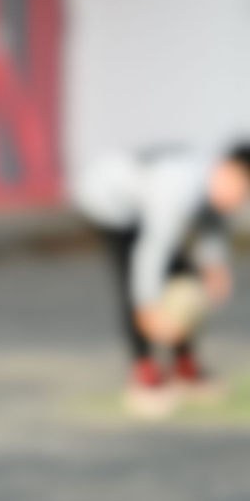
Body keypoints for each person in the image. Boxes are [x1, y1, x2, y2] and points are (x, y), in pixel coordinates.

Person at [74, 139, 250, 417]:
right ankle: (145, 373)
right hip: (108, 201)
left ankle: (184, 366)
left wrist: (215, 266)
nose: (240, 200)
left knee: (185, 282)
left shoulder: (213, 183)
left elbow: (212, 222)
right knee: (137, 281)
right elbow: (152, 252)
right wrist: (147, 306)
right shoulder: (178, 188)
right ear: (227, 170)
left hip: (143, 201)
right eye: (242, 190)